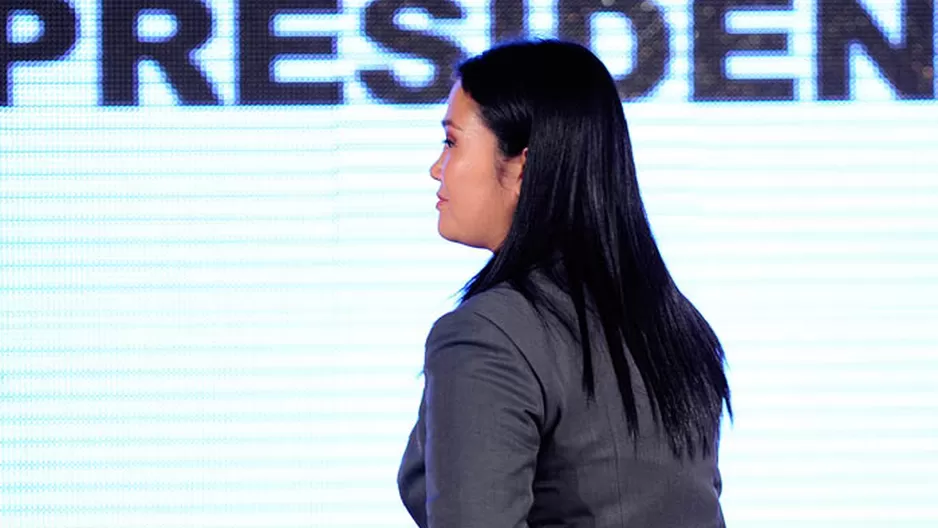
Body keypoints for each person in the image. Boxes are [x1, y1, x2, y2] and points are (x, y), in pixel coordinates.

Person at [398, 38, 732, 527]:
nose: (436, 168)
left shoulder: (486, 336)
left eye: (451, 142)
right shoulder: (675, 325)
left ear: (522, 167)